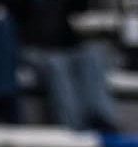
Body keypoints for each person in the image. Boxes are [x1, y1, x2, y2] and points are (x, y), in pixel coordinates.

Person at [20, 0, 121, 132]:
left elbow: (79, 12)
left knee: (93, 56)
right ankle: (73, 125)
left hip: (65, 48)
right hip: (32, 48)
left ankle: (102, 117)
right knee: (57, 64)